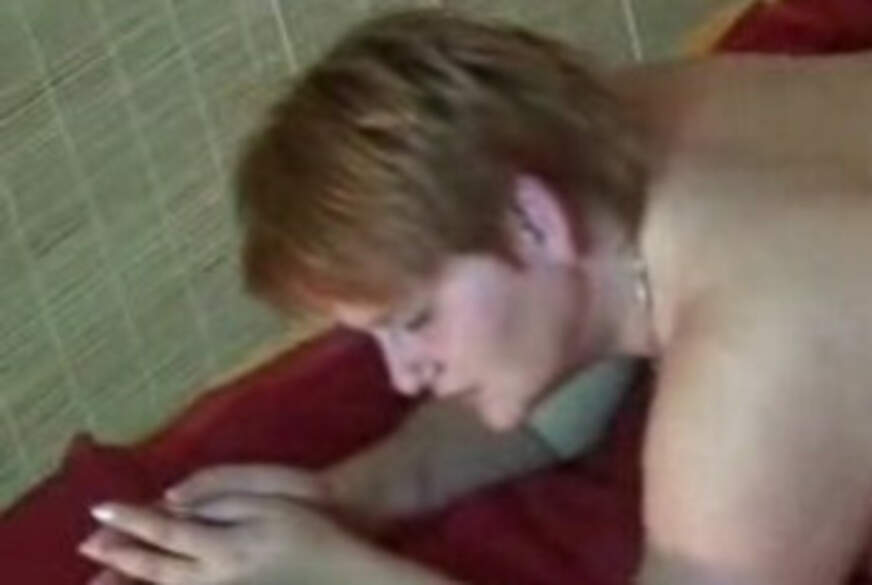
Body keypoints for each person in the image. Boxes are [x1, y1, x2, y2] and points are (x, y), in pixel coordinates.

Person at [78, 9, 872, 585]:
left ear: (531, 218)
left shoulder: (765, 348)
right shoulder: (602, 140)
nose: (404, 375)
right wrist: (358, 492)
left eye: (416, 320)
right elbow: (577, 351)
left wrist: (341, 575)